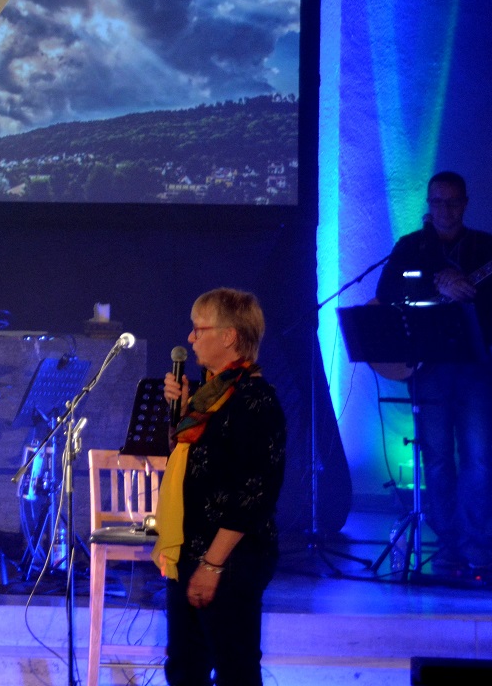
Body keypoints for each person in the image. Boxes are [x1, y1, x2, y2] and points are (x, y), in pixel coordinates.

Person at [374, 171, 492, 570]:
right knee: (435, 457)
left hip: (474, 364)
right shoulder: (411, 247)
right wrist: (438, 283)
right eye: (437, 202)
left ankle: (472, 541)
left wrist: (471, 290)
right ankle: (447, 540)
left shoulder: (487, 246)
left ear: (465, 203)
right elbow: (386, 294)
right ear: (428, 205)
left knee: (478, 454)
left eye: (452, 202)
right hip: (428, 365)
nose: (445, 210)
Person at [155, 288, 286, 686]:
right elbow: (192, 464)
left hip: (230, 558)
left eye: (199, 329)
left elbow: (256, 493)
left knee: (234, 670)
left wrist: (212, 565)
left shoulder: (254, 400)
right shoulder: (206, 397)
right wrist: (180, 414)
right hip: (191, 550)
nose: (190, 338)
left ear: (229, 336)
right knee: (185, 668)